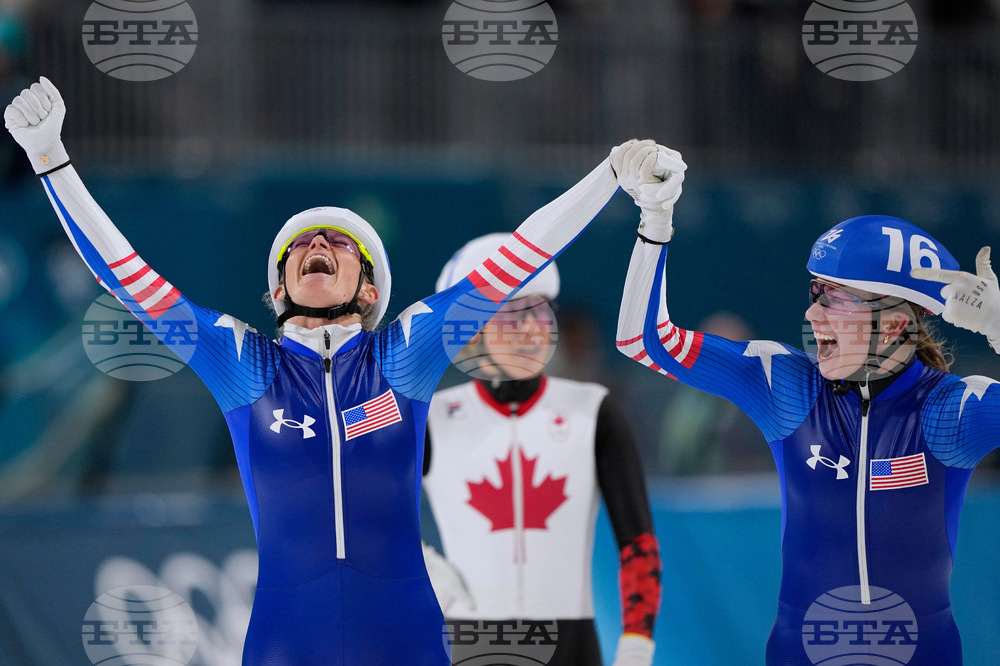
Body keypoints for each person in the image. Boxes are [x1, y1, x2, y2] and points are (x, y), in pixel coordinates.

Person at [3, 78, 628, 665]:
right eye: (299, 246)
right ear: (278, 291)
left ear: (371, 288)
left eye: (338, 244)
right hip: (285, 641)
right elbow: (128, 276)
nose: (316, 248)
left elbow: (521, 256)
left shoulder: (404, 354)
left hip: (404, 636)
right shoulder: (243, 365)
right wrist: (51, 160)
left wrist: (609, 174)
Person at [612, 139, 1000, 665]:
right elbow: (641, 338)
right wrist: (655, 221)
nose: (814, 317)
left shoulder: (951, 413)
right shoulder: (784, 386)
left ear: (896, 323)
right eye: (816, 294)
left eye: (835, 300)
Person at [421, 233, 661, 666]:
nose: (534, 330)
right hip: (468, 643)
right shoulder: (432, 419)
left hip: (573, 648)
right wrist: (430, 576)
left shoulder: (594, 411)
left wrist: (636, 644)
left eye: (542, 312)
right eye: (514, 315)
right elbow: (365, 517)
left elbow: (638, 542)